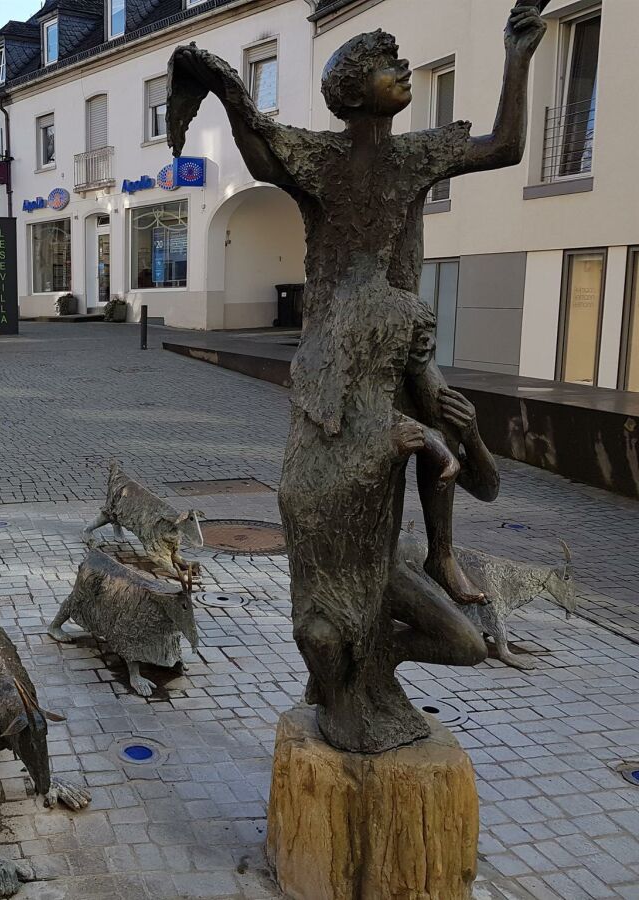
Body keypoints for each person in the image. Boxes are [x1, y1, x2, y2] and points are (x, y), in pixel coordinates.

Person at [168, 3, 545, 751]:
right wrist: (227, 91)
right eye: (387, 62)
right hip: (341, 356)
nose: (401, 70)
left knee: (440, 432)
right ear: (350, 90)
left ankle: (437, 553)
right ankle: (360, 652)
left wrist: (517, 57)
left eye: (401, 61)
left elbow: (504, 146)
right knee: (375, 476)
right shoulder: (324, 157)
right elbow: (262, 156)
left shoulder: (417, 155)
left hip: (400, 335)